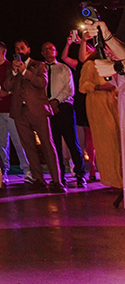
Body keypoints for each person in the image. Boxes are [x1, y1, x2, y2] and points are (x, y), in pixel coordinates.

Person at [5, 39, 64, 193]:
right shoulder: (12, 68)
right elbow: (6, 86)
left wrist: (25, 72)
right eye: (17, 49)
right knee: (29, 146)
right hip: (20, 112)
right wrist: (14, 72)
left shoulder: (38, 65)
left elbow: (42, 83)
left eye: (22, 48)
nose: (19, 51)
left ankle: (57, 180)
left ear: (28, 49)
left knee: (47, 144)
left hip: (37, 110)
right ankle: (38, 178)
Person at [79, 33, 122, 190]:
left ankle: (120, 177)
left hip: (112, 104)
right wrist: (99, 87)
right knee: (106, 142)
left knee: (117, 141)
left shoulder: (114, 65)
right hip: (97, 105)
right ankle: (112, 180)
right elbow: (83, 86)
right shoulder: (91, 65)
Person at [0, 41, 31, 184]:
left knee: (19, 142)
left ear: (0, 52)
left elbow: (20, 86)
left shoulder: (12, 66)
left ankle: (27, 170)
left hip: (12, 112)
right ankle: (2, 172)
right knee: (0, 143)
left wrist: (8, 92)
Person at [41, 41, 86, 187]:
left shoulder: (63, 68)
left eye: (52, 48)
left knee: (72, 142)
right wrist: (48, 104)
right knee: (54, 145)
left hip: (64, 107)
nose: (49, 51)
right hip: (48, 110)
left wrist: (56, 101)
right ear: (42, 52)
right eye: (46, 49)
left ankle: (80, 174)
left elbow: (69, 89)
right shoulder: (40, 69)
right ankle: (59, 176)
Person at [60, 31, 97, 181]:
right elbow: (64, 58)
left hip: (97, 96)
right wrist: (69, 43)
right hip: (83, 98)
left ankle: (95, 168)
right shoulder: (80, 65)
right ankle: (91, 168)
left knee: (94, 134)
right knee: (88, 134)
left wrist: (84, 41)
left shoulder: (96, 60)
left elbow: (87, 55)